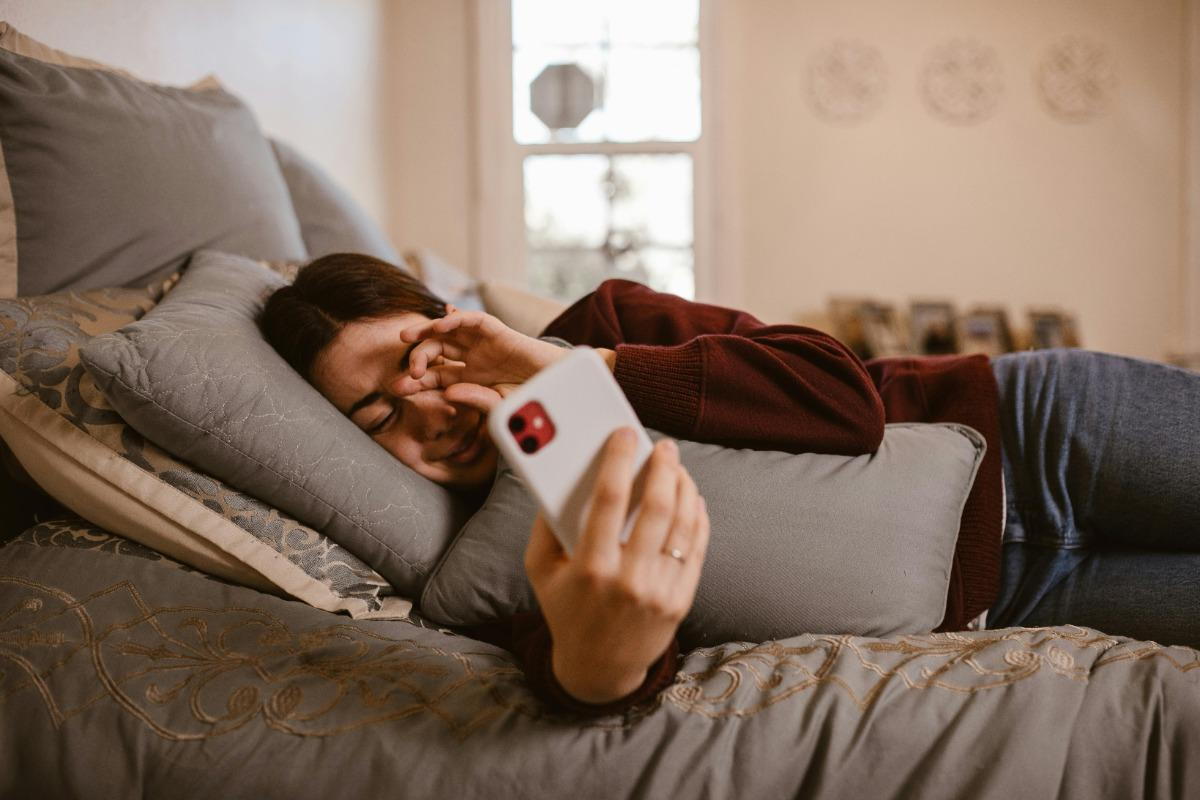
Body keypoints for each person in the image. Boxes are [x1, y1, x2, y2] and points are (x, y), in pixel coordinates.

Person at [260, 253, 1200, 714]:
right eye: (380, 417)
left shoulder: (608, 321)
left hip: (1039, 432)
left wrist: (579, 369)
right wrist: (596, 665)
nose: (432, 409)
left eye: (425, 357)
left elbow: (843, 400)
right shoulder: (488, 560)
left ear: (457, 322)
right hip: (1017, 602)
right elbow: (599, 671)